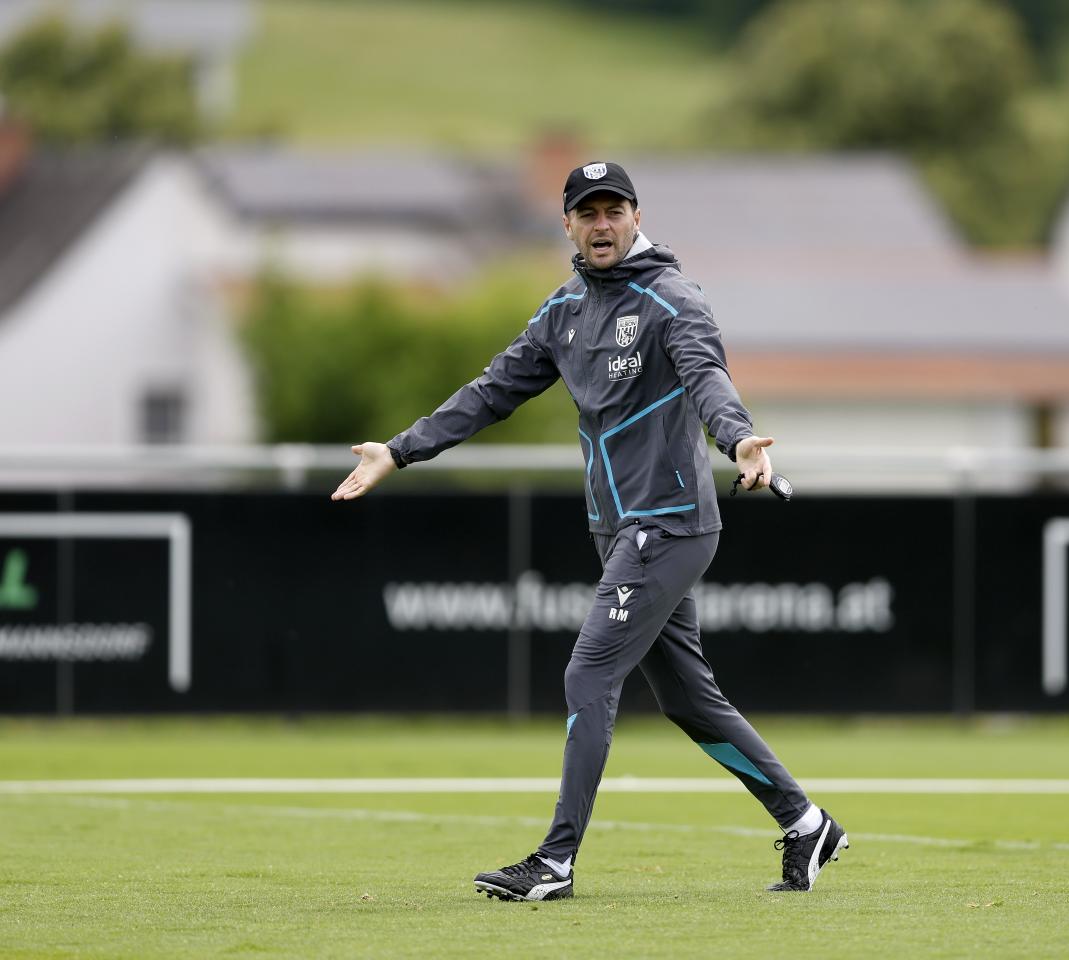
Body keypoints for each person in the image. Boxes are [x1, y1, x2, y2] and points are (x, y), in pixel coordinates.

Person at [331, 161, 847, 901]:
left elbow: (708, 378)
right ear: (568, 225)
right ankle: (805, 821)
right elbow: (491, 392)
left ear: (637, 216)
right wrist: (399, 450)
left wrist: (737, 439)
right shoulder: (564, 310)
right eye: (588, 213)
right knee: (687, 699)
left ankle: (555, 861)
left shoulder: (672, 298)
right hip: (618, 529)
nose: (602, 225)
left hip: (667, 523)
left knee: (588, 675)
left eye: (614, 210)